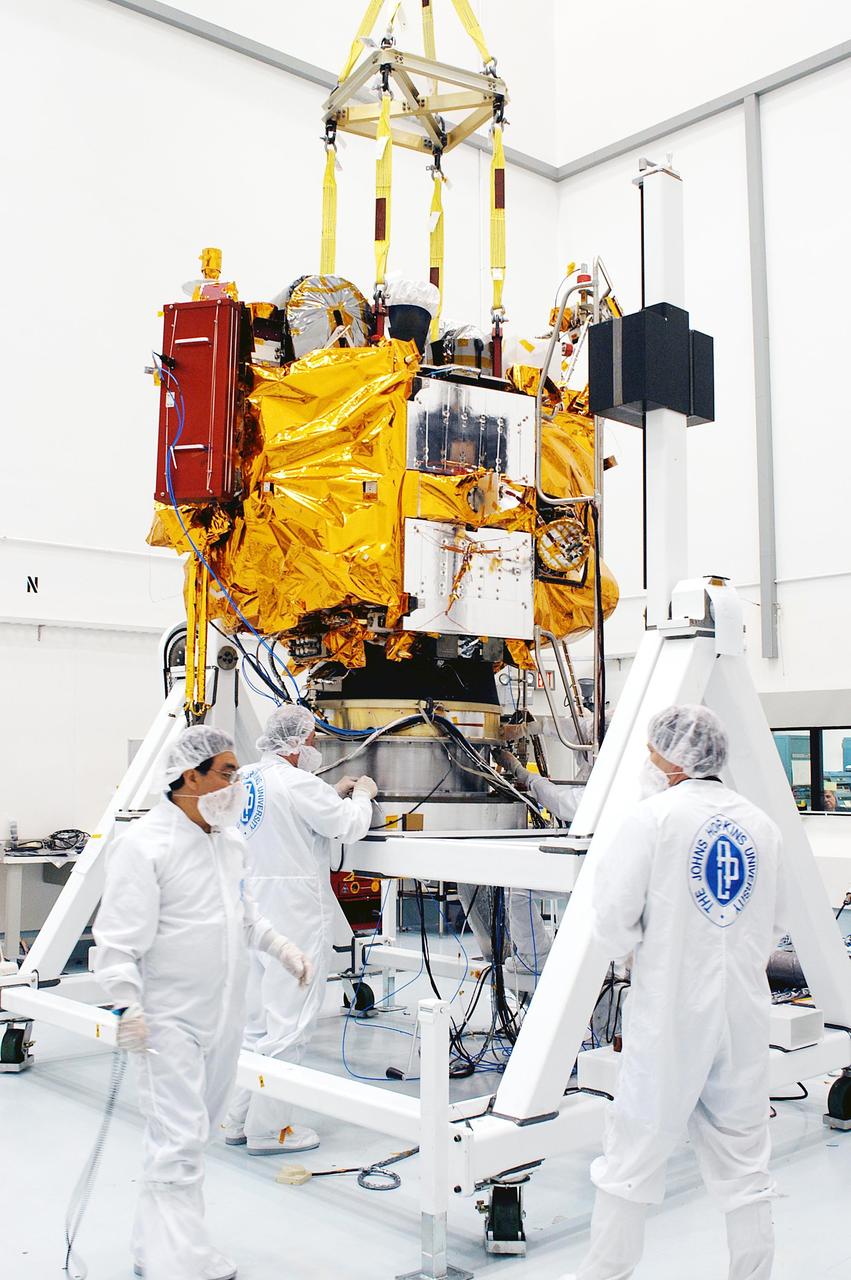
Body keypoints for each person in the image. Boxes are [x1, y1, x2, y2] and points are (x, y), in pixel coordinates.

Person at [561, 704, 785, 1280]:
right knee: (745, 1160)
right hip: (742, 1010)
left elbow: (611, 918)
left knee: (632, 1153)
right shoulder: (762, 826)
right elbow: (771, 920)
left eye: (652, 753)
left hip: (670, 1013)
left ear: (675, 760)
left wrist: (640, 946)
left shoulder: (651, 819)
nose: (647, 762)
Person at [93, 724, 313, 1280]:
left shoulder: (228, 843)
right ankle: (178, 1261)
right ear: (190, 776)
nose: (236, 786)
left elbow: (245, 916)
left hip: (223, 1018)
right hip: (166, 1020)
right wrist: (126, 1005)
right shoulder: (145, 846)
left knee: (194, 1133)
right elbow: (117, 943)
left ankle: (154, 1246)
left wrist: (279, 945)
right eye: (228, 774)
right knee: (179, 1138)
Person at [223, 704, 377, 1155]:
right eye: (310, 740)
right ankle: (270, 1131)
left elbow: (281, 813)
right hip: (291, 912)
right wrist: (361, 794)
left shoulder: (246, 777)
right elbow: (348, 827)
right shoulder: (297, 782)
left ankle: (237, 1119)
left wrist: (329, 791)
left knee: (255, 1024)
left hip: (249, 906)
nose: (313, 747)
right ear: (297, 743)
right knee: (290, 1023)